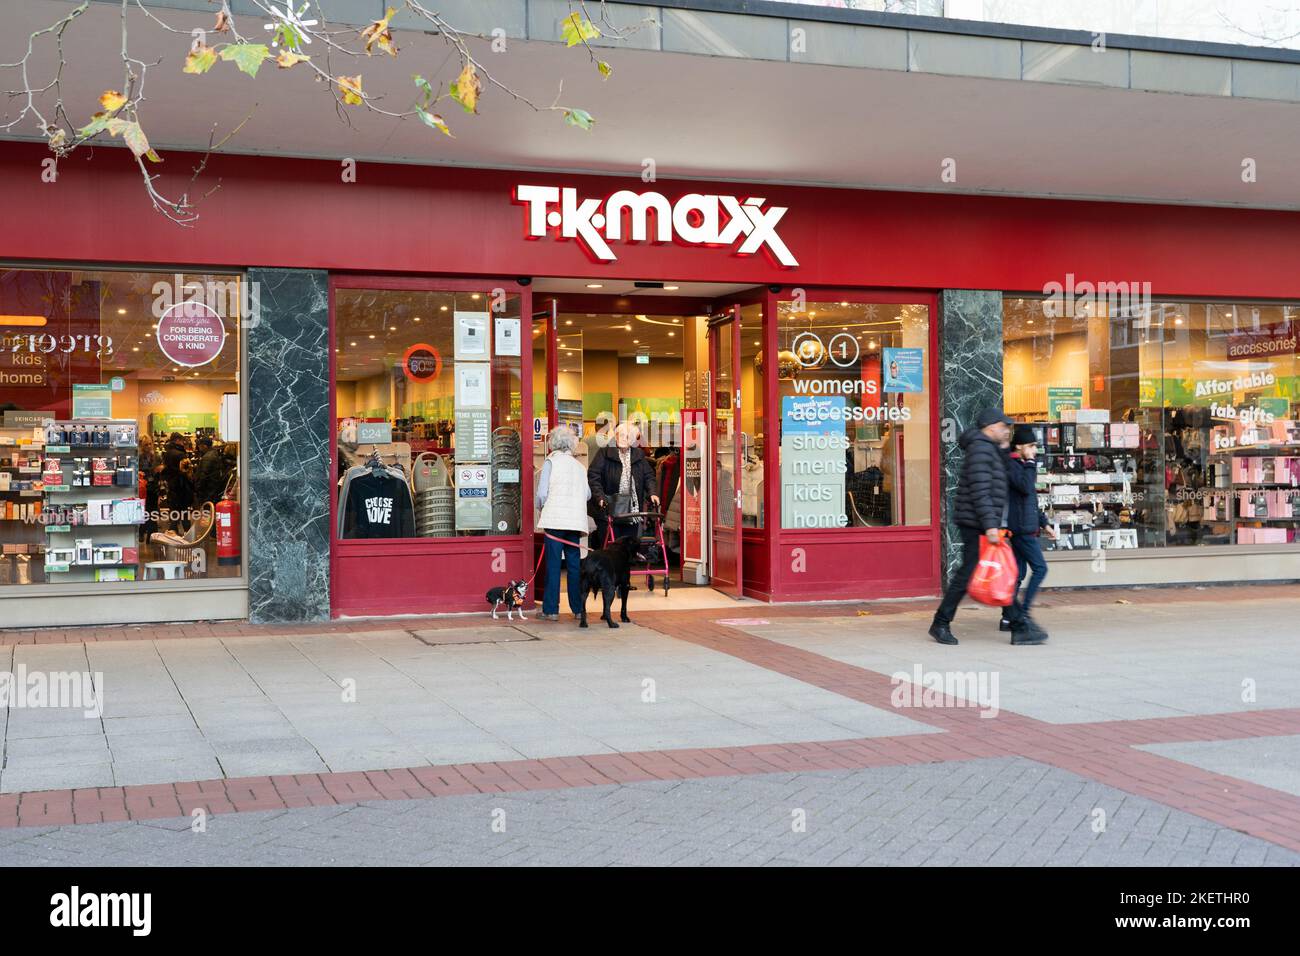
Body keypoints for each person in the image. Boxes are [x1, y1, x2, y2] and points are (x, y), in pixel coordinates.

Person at [929, 407, 1047, 646]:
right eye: (1003, 427)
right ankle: (941, 622)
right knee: (970, 574)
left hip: (981, 521)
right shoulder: (980, 450)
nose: (1006, 431)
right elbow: (981, 491)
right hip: (977, 522)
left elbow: (999, 478)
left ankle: (1018, 624)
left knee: (998, 570)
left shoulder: (988, 448)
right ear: (990, 427)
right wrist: (991, 525)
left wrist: (1004, 449)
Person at [1001, 424, 1056, 632]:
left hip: (1027, 526)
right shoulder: (1012, 466)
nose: (1034, 450)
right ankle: (1022, 613)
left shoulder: (1022, 466)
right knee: (1040, 568)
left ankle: (1008, 619)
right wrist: (1031, 463)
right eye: (1031, 446)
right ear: (1020, 446)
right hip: (1021, 530)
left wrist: (1045, 523)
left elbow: (1030, 499)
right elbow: (1025, 487)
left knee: (1017, 575)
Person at [535, 426, 591, 622]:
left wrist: (540, 508)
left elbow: (542, 493)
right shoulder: (579, 466)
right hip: (575, 522)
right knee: (574, 566)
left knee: (553, 565)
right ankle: (578, 609)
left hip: (555, 520)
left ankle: (551, 610)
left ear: (553, 443)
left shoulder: (551, 462)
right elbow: (588, 494)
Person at [588, 421, 659, 547]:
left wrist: (653, 493)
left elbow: (649, 476)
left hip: (632, 510)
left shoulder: (638, 455)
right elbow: (594, 476)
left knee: (627, 549)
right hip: (608, 508)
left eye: (628, 436)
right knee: (610, 547)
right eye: (620, 435)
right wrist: (599, 497)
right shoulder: (605, 452)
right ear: (615, 436)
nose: (623, 439)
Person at [194, 436, 232, 505]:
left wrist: (197, 487)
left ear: (204, 446)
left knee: (207, 510)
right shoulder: (213, 453)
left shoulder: (207, 457)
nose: (199, 448)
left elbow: (203, 475)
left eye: (200, 446)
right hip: (212, 489)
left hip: (207, 490)